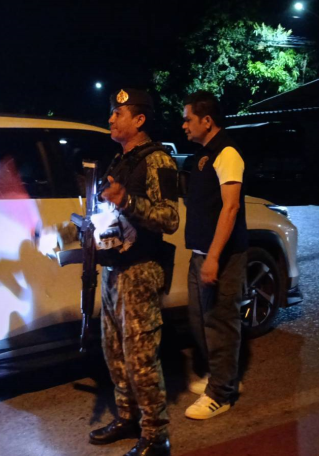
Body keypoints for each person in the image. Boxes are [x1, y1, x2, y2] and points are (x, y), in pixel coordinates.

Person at [88, 88, 180, 456]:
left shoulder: (158, 161)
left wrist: (127, 200)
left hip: (141, 270)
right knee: (114, 351)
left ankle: (157, 436)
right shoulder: (119, 160)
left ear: (139, 120)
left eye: (119, 113)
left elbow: (169, 218)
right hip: (114, 269)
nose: (111, 119)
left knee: (141, 358)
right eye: (111, 112)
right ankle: (128, 417)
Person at [181, 90, 247, 420]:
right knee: (200, 320)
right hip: (201, 253)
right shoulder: (203, 155)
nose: (184, 125)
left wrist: (214, 257)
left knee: (220, 322)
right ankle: (223, 377)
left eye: (188, 119)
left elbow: (230, 207)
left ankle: (221, 394)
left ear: (207, 121)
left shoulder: (227, 152)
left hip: (222, 256)